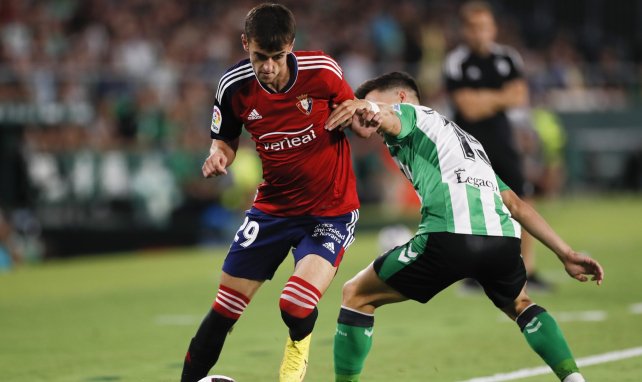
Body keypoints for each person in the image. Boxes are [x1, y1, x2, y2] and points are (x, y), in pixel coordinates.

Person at [325, 72, 604, 382]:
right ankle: (573, 378)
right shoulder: (466, 141)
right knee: (521, 304)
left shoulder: (411, 113)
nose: (371, 108)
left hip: (449, 235)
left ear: (401, 97)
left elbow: (387, 115)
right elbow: (515, 205)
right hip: (502, 239)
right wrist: (566, 252)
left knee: (356, 294)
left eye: (376, 100)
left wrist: (371, 109)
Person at [180, 4, 360, 382]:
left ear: (291, 46)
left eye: (277, 57)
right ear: (246, 43)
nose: (268, 67)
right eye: (260, 56)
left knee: (295, 303)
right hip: (273, 210)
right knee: (224, 310)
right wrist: (218, 157)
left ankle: (297, 354)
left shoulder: (323, 72)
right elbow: (224, 141)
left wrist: (357, 114)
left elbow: (355, 114)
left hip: (331, 210)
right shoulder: (233, 86)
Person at [443, 1, 548, 290]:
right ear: (466, 30)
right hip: (469, 145)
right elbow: (468, 108)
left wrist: (483, 98)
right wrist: (500, 96)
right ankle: (476, 273)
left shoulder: (508, 57)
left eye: (486, 27)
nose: (481, 33)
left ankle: (529, 269)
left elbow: (520, 96)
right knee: (473, 206)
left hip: (503, 141)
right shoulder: (456, 61)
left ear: (494, 29)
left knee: (523, 200)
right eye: (475, 28)